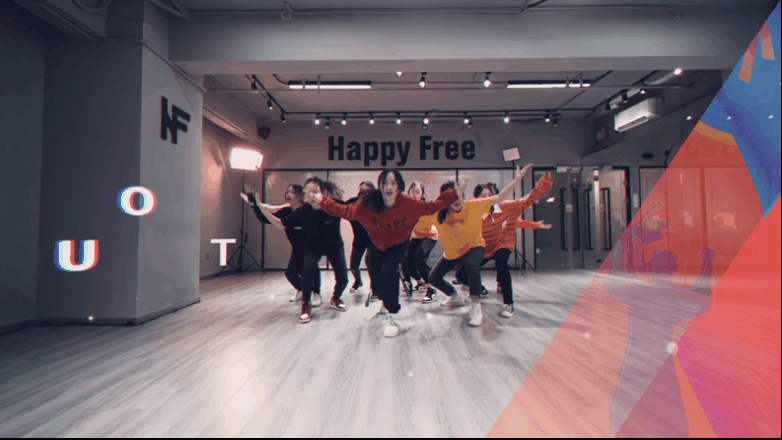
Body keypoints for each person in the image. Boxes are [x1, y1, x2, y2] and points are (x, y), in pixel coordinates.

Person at [314, 169, 466, 338]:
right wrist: (323, 201)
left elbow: (432, 207)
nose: (389, 187)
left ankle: (392, 316)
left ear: (399, 187)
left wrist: (453, 194)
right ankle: (384, 301)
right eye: (385, 183)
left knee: (389, 270)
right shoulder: (367, 204)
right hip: (377, 244)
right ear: (380, 185)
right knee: (374, 271)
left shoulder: (410, 204)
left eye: (393, 183)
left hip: (399, 243)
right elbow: (345, 211)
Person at [427, 165, 529, 327]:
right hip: (453, 252)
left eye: (458, 194)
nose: (456, 200)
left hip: (475, 246)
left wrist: (517, 179)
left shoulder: (473, 205)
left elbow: (500, 197)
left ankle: (476, 306)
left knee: (471, 264)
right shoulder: (438, 215)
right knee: (433, 277)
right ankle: (454, 296)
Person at [452, 176, 554, 317]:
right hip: (485, 248)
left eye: (490, 195)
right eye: (483, 196)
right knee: (461, 274)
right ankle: (482, 288)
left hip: (503, 243)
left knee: (502, 263)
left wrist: (540, 189)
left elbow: (525, 202)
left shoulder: (505, 207)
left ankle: (508, 303)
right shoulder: (473, 213)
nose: (488, 199)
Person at [258, 177, 350, 324]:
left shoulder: (334, 205)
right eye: (308, 193)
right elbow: (281, 224)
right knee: (307, 268)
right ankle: (306, 304)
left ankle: (336, 298)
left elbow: (354, 210)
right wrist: (262, 209)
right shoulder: (303, 210)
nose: (311, 196)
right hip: (313, 246)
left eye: (315, 192)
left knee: (343, 278)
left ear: (322, 192)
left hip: (334, 246)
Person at [241, 185, 322, 304]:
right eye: (287, 192)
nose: (288, 195)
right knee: (290, 273)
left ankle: (316, 293)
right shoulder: (286, 211)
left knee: (310, 269)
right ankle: (301, 290)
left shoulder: (307, 210)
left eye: (291, 192)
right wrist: (255, 205)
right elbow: (267, 218)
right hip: (297, 248)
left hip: (311, 247)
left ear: (300, 195)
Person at [401, 182, 439, 302]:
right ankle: (420, 282)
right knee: (406, 260)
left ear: (422, 193)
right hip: (418, 236)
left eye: (418, 192)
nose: (415, 194)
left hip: (430, 236)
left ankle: (431, 290)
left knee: (418, 260)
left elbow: (439, 220)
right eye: (412, 191)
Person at [345, 181, 376, 296]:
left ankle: (374, 287)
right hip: (359, 239)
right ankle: (358, 281)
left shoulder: (376, 205)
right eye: (362, 191)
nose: (364, 194)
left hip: (373, 239)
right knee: (353, 265)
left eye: (367, 192)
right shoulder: (352, 202)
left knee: (370, 262)